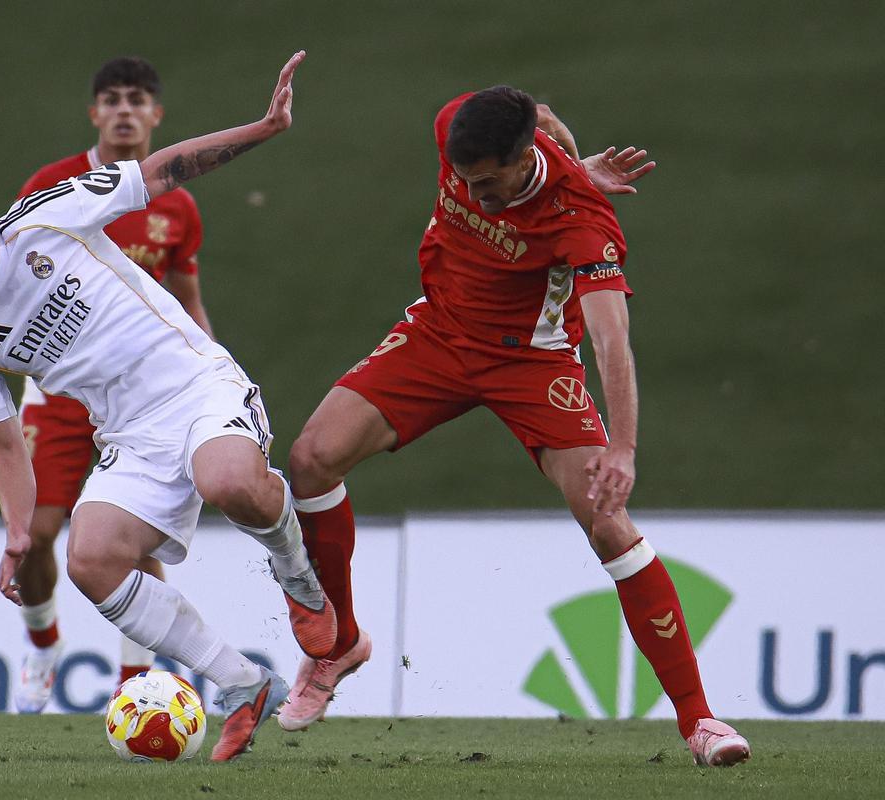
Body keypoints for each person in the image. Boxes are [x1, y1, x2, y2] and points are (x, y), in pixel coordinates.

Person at [280, 86, 752, 768]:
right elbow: (526, 101)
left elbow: (613, 341)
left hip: (533, 364)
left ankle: (700, 722)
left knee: (607, 520)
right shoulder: (459, 129)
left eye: (488, 182)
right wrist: (569, 150)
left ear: (523, 154)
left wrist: (622, 449)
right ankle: (341, 643)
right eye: (464, 182)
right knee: (311, 457)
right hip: (438, 334)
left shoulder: (582, 222)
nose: (476, 194)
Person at [0, 51, 336, 762]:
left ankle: (300, 582)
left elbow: (167, 170)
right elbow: (5, 447)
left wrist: (266, 127)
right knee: (89, 560)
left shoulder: (48, 216)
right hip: (128, 433)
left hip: (196, 385)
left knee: (228, 483)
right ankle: (241, 684)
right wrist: (13, 535)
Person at [11, 56, 216, 712]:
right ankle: (43, 642)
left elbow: (187, 299)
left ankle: (136, 690)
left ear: (156, 116)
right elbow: (12, 273)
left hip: (141, 398)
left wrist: (212, 370)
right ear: (94, 113)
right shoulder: (53, 184)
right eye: (112, 99)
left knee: (132, 537)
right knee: (37, 533)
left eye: (137, 100)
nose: (124, 110)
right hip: (63, 388)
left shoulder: (176, 206)